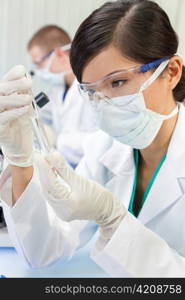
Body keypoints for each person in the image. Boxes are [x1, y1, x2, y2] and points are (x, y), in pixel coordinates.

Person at [0, 0, 185, 277]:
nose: (105, 103)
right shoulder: (105, 147)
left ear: (171, 72)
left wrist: (113, 218)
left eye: (117, 82)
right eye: (91, 92)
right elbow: (47, 250)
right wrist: (20, 162)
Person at [28, 25, 96, 167]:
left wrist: (57, 140)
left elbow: (98, 143)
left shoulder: (91, 89)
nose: (38, 71)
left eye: (39, 64)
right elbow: (37, 115)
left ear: (59, 54)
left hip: (90, 173)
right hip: (67, 169)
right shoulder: (58, 90)